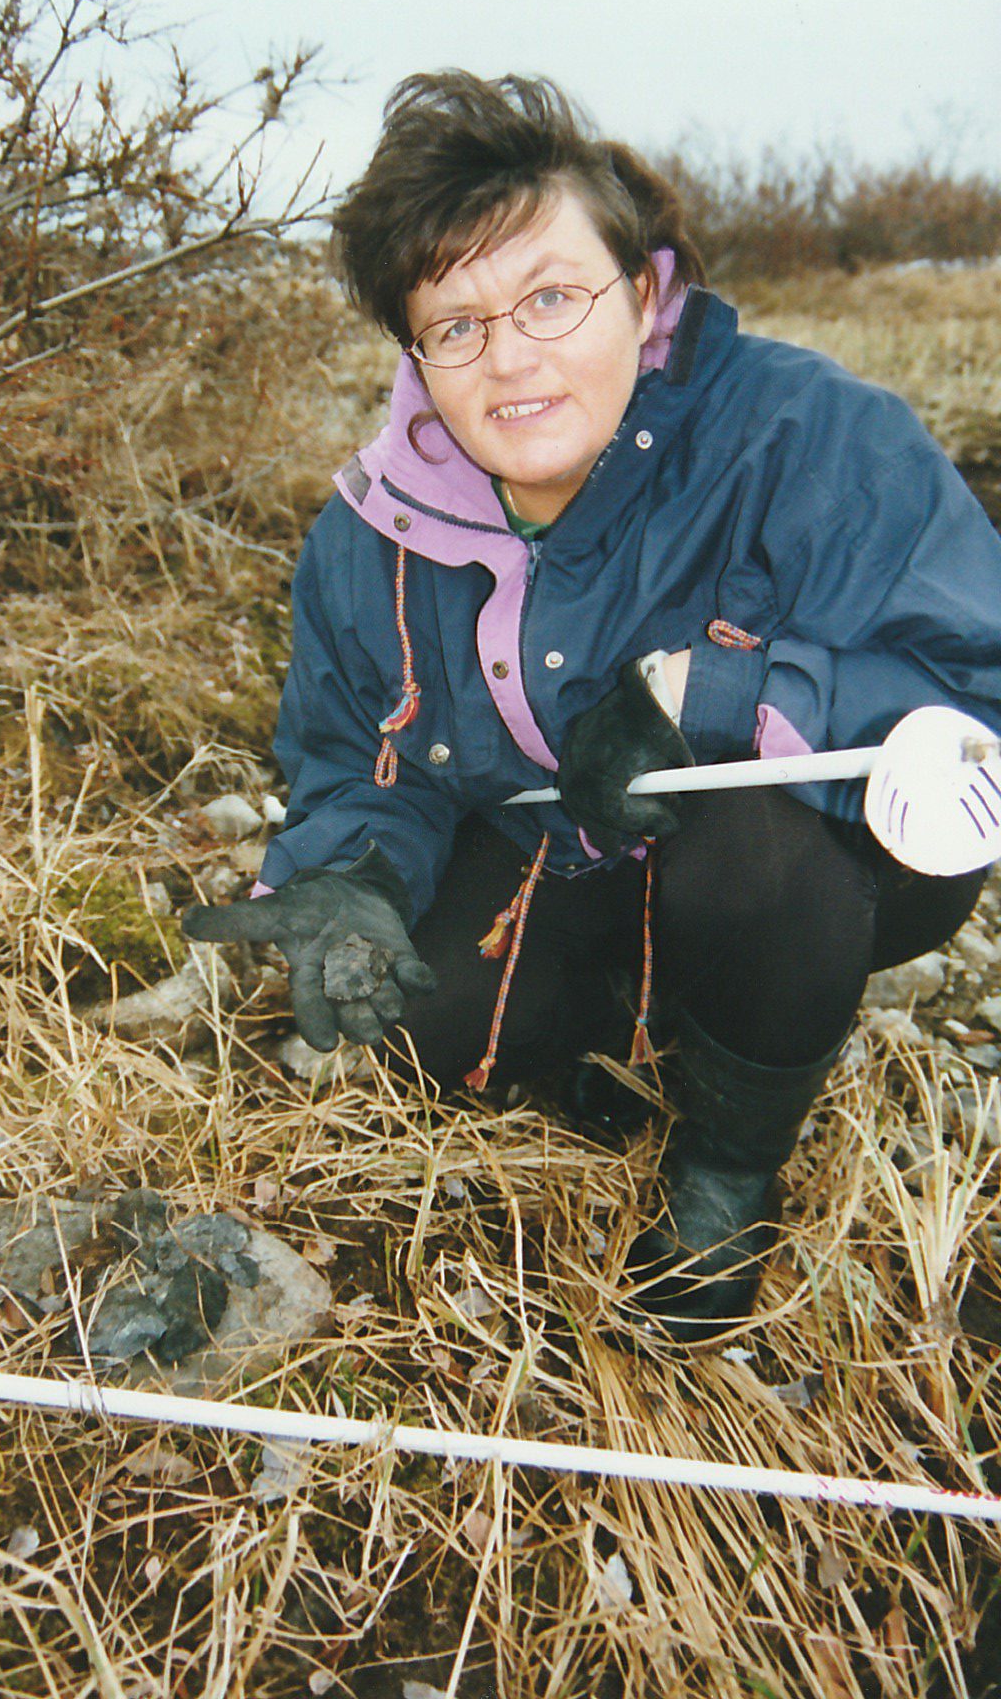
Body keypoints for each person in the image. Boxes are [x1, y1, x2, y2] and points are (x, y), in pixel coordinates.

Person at [183, 72, 1001, 1342]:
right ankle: (645, 1026)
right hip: (558, 854)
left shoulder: (812, 432)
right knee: (424, 1014)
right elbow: (360, 755)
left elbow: (972, 691)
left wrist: (714, 694)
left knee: (753, 861)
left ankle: (725, 1176)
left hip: (810, 855)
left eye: (549, 297)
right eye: (454, 325)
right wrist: (349, 869)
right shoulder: (368, 533)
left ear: (641, 286)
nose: (508, 358)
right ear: (414, 352)